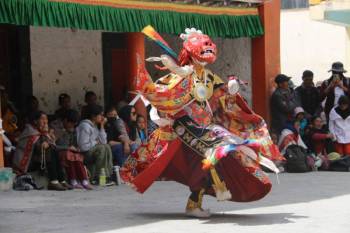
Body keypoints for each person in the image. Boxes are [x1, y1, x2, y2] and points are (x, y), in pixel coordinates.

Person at [121, 27, 279, 218]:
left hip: (206, 125)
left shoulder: (209, 76)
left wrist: (230, 90)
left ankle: (195, 203)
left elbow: (222, 98)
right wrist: (176, 70)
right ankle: (195, 204)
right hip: (186, 125)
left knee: (211, 161)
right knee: (209, 158)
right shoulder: (183, 74)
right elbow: (164, 95)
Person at [12, 111, 72, 191]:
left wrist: (48, 138)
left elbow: (49, 144)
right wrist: (47, 141)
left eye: (46, 119)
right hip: (27, 164)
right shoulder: (30, 131)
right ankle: (53, 182)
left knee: (53, 149)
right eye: (42, 119)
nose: (45, 122)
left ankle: (61, 180)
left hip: (39, 160)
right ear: (35, 121)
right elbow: (39, 148)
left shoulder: (42, 132)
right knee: (50, 149)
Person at [76, 104, 114, 185]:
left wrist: (102, 125)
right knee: (101, 148)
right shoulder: (85, 126)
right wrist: (95, 142)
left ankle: (107, 175)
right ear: (93, 116)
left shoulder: (96, 126)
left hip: (91, 151)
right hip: (84, 154)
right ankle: (98, 178)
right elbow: (83, 146)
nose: (102, 117)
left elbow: (104, 142)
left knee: (106, 146)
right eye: (100, 115)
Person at [56, 109, 93, 190]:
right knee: (70, 155)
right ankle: (73, 181)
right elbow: (54, 145)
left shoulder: (72, 129)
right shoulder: (56, 127)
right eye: (71, 123)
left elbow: (74, 143)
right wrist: (68, 146)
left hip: (69, 151)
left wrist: (72, 136)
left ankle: (84, 180)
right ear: (65, 120)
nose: (73, 126)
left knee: (77, 155)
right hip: (59, 151)